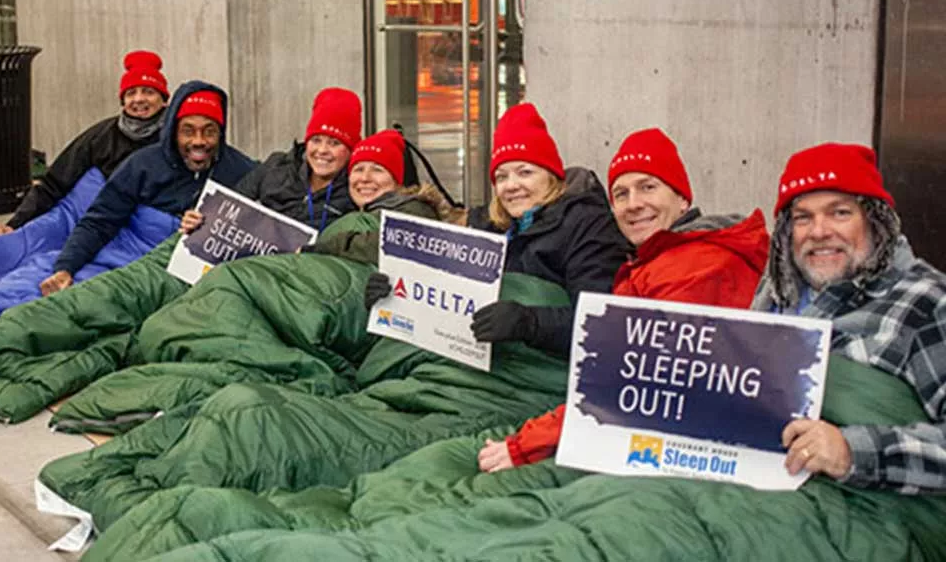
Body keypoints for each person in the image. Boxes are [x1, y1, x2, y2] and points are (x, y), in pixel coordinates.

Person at [478, 127, 769, 472]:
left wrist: (524, 445)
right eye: (621, 194)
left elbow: (630, 379)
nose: (634, 204)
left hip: (682, 450)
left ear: (683, 199)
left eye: (648, 187)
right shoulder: (651, 261)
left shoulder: (698, 266)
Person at [752, 143, 946, 494]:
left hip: (874, 515)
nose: (819, 231)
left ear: (875, 222)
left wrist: (852, 451)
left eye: (839, 213)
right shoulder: (774, 295)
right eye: (803, 217)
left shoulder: (927, 303)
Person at [365, 103, 631, 357]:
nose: (511, 185)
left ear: (551, 177)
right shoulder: (487, 226)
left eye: (524, 172)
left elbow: (601, 321)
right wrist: (391, 293)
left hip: (540, 373)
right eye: (501, 176)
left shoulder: (586, 225)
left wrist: (530, 322)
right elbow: (440, 297)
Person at [39, 81, 255, 296]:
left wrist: (209, 223)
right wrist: (65, 267)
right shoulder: (142, 164)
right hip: (129, 258)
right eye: (188, 131)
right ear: (173, 132)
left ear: (221, 134)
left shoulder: (240, 170)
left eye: (209, 132)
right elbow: (100, 220)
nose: (199, 141)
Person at [0, 50, 170, 234]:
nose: (138, 99)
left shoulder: (176, 135)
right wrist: (15, 223)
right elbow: (55, 183)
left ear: (164, 100)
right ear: (123, 101)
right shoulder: (101, 136)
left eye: (149, 92)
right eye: (131, 93)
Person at [179, 87, 361, 236]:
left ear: (351, 149)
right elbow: (227, 205)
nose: (322, 151)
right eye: (315, 140)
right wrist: (198, 217)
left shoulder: (357, 189)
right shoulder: (277, 165)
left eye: (334, 143)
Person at [304, 128, 461, 264]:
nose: (365, 178)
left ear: (396, 181)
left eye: (377, 170)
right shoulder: (363, 212)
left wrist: (329, 246)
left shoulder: (415, 210)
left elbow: (389, 243)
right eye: (358, 169)